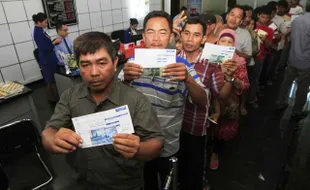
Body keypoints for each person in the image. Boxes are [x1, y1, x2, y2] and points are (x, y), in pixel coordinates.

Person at [41, 31, 164, 190]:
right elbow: (48, 131)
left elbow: (157, 142)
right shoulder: (69, 97)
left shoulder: (135, 100)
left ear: (114, 64)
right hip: (83, 183)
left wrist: (138, 149)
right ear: (78, 66)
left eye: (101, 63)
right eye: (85, 64)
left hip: (125, 185)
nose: (94, 73)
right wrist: (52, 140)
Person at [120, 10, 209, 190]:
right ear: (144, 35)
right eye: (151, 32)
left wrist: (188, 79)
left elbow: (202, 100)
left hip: (168, 144)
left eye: (162, 32)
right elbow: (115, 99)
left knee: (169, 183)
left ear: (170, 35)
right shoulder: (132, 62)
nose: (156, 38)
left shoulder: (181, 65)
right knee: (143, 182)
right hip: (139, 142)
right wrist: (126, 79)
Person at [177, 18, 236, 190]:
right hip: (172, 127)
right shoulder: (171, 59)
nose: (189, 39)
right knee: (176, 166)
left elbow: (222, 95)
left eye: (196, 35)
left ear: (203, 39)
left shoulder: (211, 64)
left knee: (194, 169)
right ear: (180, 34)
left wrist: (230, 78)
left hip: (196, 127)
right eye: (186, 33)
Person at [209, 29, 250, 170]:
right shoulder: (209, 57)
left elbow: (245, 86)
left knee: (220, 131)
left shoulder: (239, 61)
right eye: (222, 41)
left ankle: (215, 154)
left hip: (228, 102)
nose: (226, 45)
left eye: (229, 42)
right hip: (209, 100)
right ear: (217, 42)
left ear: (234, 44)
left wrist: (232, 78)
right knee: (208, 129)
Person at [276, 0, 310, 120]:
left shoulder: (297, 20)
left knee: (286, 82)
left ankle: (280, 102)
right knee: (302, 86)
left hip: (292, 56)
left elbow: (290, 37)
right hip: (306, 60)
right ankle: (296, 111)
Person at [248, 5, 274, 108]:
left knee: (255, 79)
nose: (265, 19)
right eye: (263, 17)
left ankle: (251, 98)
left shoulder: (269, 30)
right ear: (258, 15)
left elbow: (269, 46)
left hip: (259, 58)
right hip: (247, 56)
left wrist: (265, 40)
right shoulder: (252, 25)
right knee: (245, 79)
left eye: (267, 17)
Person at [33, 12, 61, 103]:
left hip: (50, 57)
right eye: (45, 22)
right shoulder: (38, 32)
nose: (46, 24)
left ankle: (56, 96)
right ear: (38, 22)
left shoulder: (40, 30)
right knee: (50, 79)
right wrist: (54, 42)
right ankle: (54, 98)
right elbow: (43, 47)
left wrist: (52, 41)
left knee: (53, 78)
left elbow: (46, 43)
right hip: (46, 59)